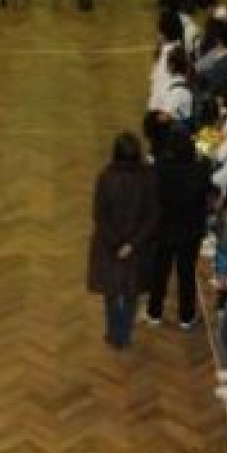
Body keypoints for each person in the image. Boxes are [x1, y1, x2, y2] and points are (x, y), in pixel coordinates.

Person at [88, 132, 159, 349]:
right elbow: (153, 215)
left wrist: (116, 243)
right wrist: (132, 244)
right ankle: (125, 334)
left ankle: (113, 332)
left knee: (111, 292)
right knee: (132, 292)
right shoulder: (148, 177)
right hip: (138, 248)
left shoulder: (106, 177)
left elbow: (99, 214)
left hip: (109, 246)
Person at [145, 122, 212, 329]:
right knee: (186, 273)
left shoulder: (160, 168)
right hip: (191, 231)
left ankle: (154, 312)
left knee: (160, 271)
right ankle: (186, 316)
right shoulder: (201, 168)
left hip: (164, 228)